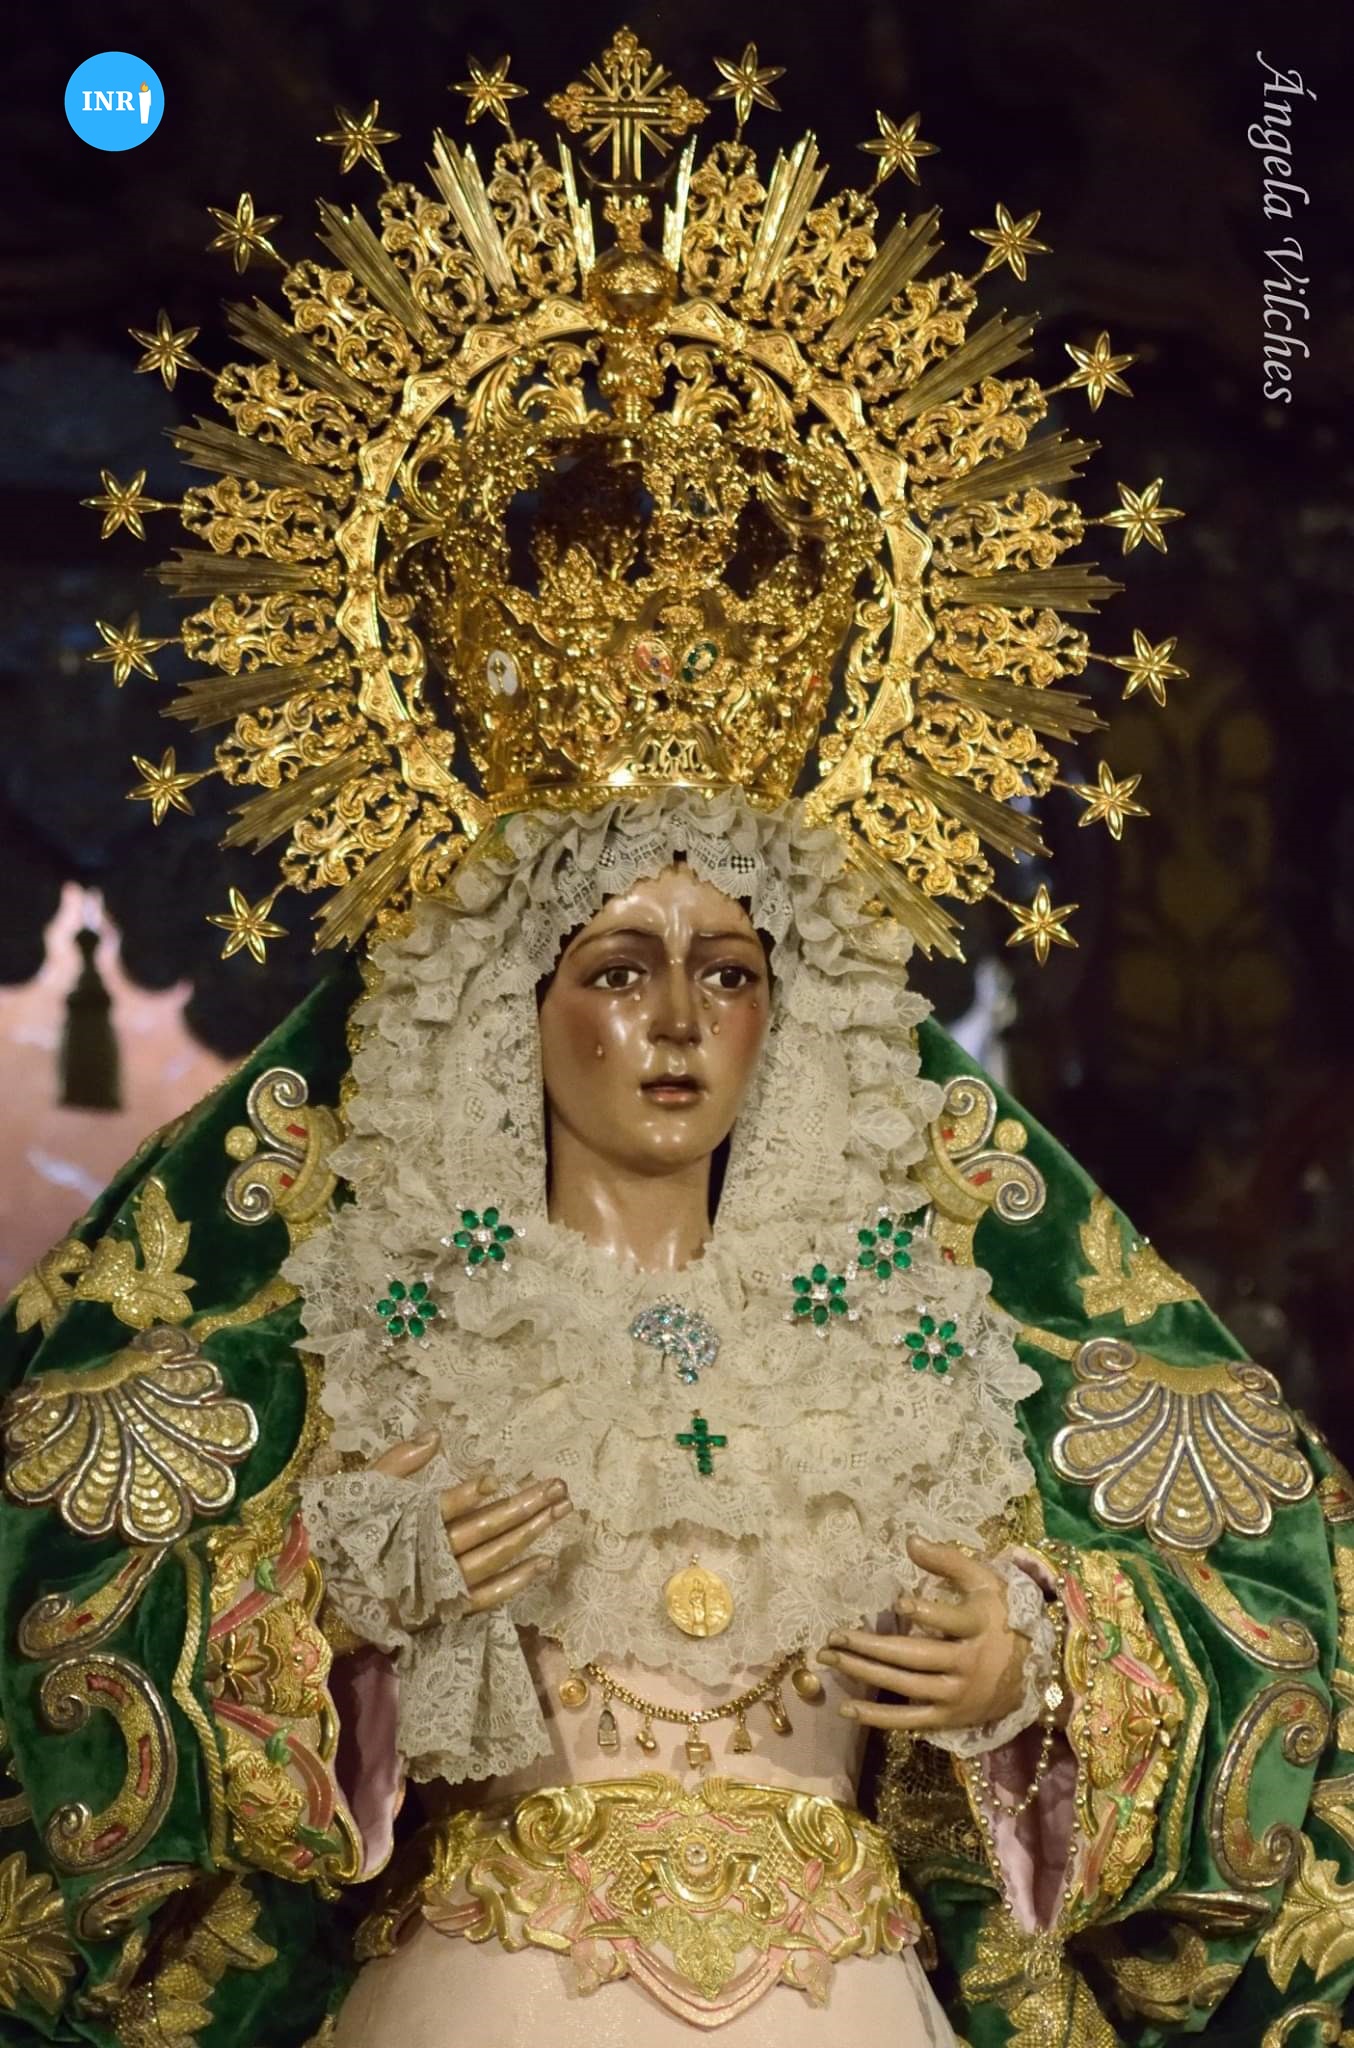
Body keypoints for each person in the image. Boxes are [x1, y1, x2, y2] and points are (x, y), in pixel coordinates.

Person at [1, 29, 1351, 2048]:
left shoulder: (924, 1319)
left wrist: (1035, 1669)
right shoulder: (355, 1316)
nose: (674, 1023)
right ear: (507, 1003)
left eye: (727, 972)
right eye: (616, 965)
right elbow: (62, 1605)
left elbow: (1266, 1578)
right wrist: (333, 1623)